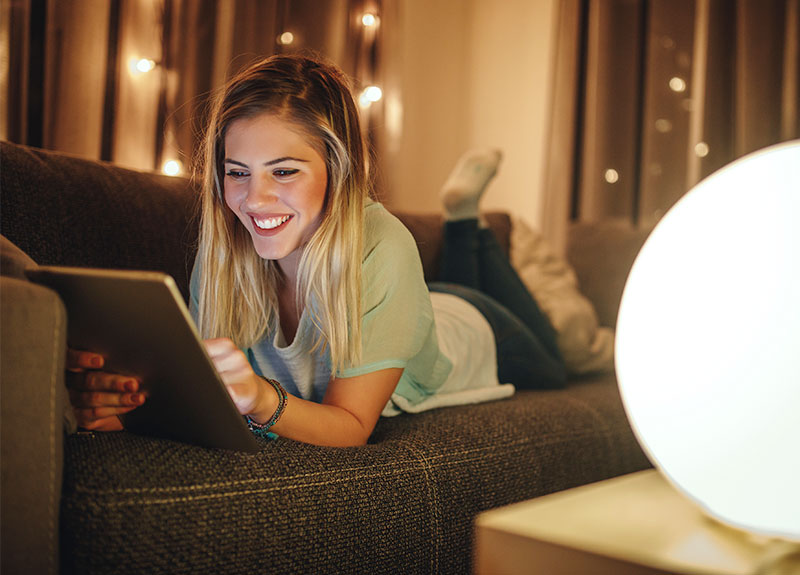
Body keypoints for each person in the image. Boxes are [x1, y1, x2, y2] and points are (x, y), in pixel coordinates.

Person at [65, 54, 565, 446]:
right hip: (405, 308)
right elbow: (206, 395)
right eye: (237, 172)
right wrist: (123, 408)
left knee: (561, 363)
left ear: (338, 169)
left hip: (475, 327)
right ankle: (463, 218)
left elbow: (350, 426)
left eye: (284, 171)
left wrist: (261, 397)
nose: (253, 199)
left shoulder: (384, 243)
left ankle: (463, 222)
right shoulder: (223, 254)